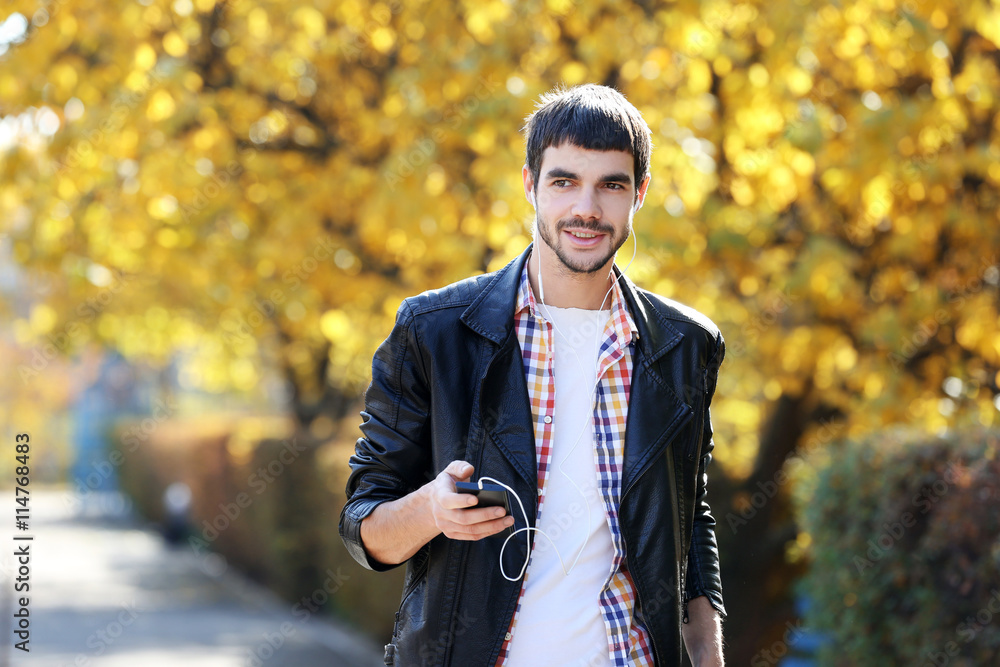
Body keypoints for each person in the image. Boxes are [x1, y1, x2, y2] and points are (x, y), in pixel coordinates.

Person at [340, 84, 726, 666]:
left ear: (639, 194)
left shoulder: (682, 346)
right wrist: (431, 511)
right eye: (564, 181)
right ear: (530, 185)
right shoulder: (435, 332)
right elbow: (362, 527)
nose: (587, 209)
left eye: (612, 185)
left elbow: (688, 516)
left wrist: (709, 655)